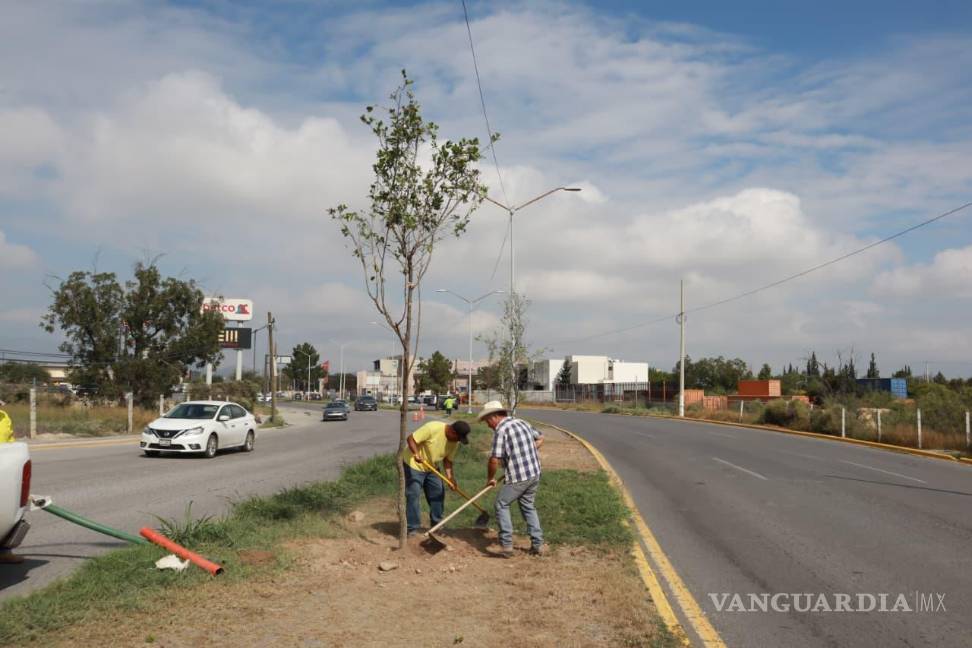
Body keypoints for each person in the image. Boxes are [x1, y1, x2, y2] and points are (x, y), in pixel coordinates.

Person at [478, 400, 545, 557]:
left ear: (494, 416)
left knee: (501, 504)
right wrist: (525, 449)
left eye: (487, 421)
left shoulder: (501, 431)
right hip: (534, 473)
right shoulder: (521, 422)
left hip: (519, 476)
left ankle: (507, 545)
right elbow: (541, 437)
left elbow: (494, 459)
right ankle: (538, 544)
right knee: (528, 506)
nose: (488, 425)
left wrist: (490, 478)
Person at [403, 419, 471, 535]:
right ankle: (412, 528)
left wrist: (450, 478)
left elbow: (448, 461)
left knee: (438, 493)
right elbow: (411, 438)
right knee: (413, 494)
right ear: (452, 432)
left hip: (432, 467)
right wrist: (416, 454)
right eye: (458, 438)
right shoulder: (433, 428)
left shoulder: (455, 442)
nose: (458, 441)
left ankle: (437, 525)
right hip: (414, 464)